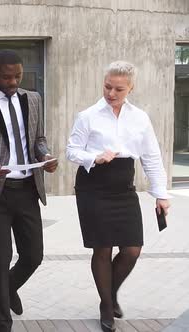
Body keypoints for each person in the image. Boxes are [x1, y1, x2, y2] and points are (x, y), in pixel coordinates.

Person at [66, 60, 170, 332]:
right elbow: (72, 150)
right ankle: (105, 305)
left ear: (130, 88)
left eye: (119, 89)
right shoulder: (87, 115)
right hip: (93, 186)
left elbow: (151, 157)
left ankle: (110, 293)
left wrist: (161, 194)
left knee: (132, 250)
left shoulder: (140, 118)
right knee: (103, 248)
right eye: (107, 86)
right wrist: (94, 157)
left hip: (124, 186)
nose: (111, 93)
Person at [0, 50, 58, 332]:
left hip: (29, 188)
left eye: (18, 75)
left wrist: (47, 155)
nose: (14, 81)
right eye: (7, 76)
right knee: (0, 259)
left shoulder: (34, 99)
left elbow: (38, 139)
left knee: (33, 256)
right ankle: (3, 321)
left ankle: (7, 289)